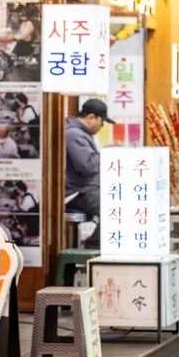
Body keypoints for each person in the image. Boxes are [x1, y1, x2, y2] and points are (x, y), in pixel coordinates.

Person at [66, 99, 114, 249]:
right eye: (102, 121)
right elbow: (88, 166)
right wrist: (106, 153)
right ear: (92, 117)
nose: (102, 126)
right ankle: (93, 249)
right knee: (113, 209)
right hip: (77, 192)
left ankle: (94, 246)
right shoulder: (75, 134)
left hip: (84, 189)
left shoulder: (78, 133)